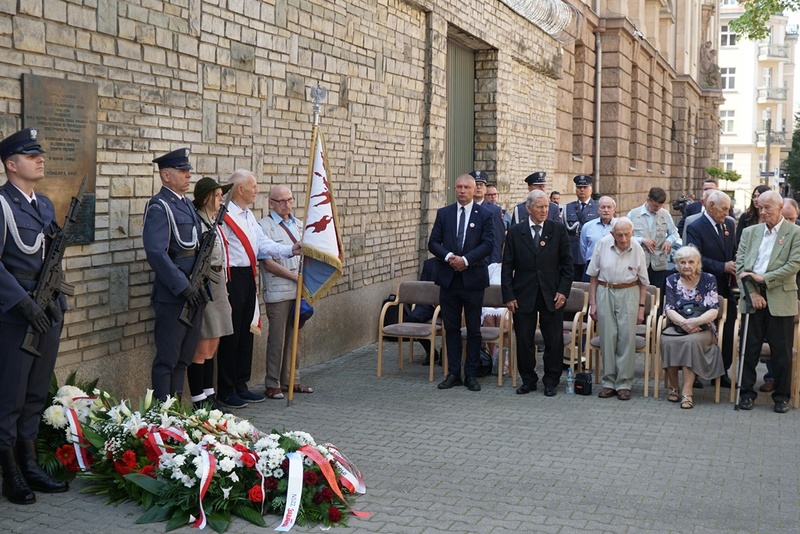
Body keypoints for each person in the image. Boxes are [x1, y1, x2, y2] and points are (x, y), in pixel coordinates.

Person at [0, 128, 69, 504]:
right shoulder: (1, 205)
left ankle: (30, 464)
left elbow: (51, 257)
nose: (40, 159)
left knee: (34, 392)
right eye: (30, 155)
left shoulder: (42, 204)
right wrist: (22, 303)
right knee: (9, 395)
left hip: (48, 309)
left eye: (39, 153)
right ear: (11, 165)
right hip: (16, 313)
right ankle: (10, 474)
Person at [216, 170, 301, 409]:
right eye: (253, 186)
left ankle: (241, 385)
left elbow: (262, 244)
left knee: (245, 332)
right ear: (240, 189)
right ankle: (226, 388)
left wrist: (290, 250)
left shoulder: (248, 215)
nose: (257, 190)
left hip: (248, 276)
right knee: (231, 335)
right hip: (231, 276)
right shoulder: (224, 214)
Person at [143, 148, 207, 401]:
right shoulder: (159, 206)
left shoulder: (185, 205)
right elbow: (156, 252)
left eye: (188, 170)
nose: (188, 175)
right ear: (166, 175)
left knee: (184, 358)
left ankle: (176, 413)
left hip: (195, 290)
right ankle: (162, 414)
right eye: (182, 171)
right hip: (174, 294)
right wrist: (183, 286)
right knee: (167, 359)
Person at [501, 190, 573, 397]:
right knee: (524, 340)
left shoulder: (557, 230)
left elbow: (567, 265)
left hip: (552, 294)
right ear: (528, 208)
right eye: (540, 207)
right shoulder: (515, 232)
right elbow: (507, 266)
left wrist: (563, 291)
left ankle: (551, 380)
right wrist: (509, 296)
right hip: (524, 294)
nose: (544, 211)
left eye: (546, 207)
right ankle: (528, 379)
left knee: (554, 340)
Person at [428, 173, 495, 392]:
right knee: (452, 328)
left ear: (475, 189)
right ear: (454, 189)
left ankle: (472, 374)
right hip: (449, 280)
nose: (462, 191)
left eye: (466, 187)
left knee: (474, 330)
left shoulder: (485, 214)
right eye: (459, 187)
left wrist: (465, 260)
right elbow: (433, 242)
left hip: (473, 280)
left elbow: (488, 244)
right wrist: (450, 258)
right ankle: (453, 373)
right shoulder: (444, 213)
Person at [735, 191, 800, 413]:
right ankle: (746, 394)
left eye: (767, 208)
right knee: (749, 349)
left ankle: (781, 397)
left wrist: (766, 279)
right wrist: (752, 292)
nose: (762, 212)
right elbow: (741, 265)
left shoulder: (795, 233)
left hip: (780, 296)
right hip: (752, 295)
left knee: (781, 352)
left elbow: (793, 265)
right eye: (759, 208)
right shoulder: (749, 232)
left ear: (780, 207)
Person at [258, 185, 313, 400]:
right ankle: (272, 383)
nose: (286, 205)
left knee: (295, 338)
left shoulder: (299, 225)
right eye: (281, 201)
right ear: (270, 202)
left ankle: (293, 380)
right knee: (277, 339)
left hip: (299, 291)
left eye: (289, 200)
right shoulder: (263, 226)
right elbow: (268, 263)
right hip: (279, 291)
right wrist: (294, 278)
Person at [587, 217, 649, 401]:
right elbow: (593, 276)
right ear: (612, 234)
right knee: (608, 336)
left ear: (632, 233)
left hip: (629, 291)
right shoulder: (603, 244)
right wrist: (593, 303)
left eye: (627, 235)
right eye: (619, 235)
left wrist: (641, 308)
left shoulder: (637, 248)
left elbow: (644, 282)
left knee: (626, 337)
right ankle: (608, 383)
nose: (623, 239)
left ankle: (624, 384)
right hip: (605, 290)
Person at [186, 177, 234, 410]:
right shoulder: (198, 223)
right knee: (202, 345)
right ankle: (198, 399)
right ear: (206, 198)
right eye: (217, 195)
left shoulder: (213, 221)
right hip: (205, 284)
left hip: (218, 283)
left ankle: (209, 393)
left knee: (214, 341)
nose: (221, 199)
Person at [660, 245, 725, 409]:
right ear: (677, 264)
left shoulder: (708, 279)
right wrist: (684, 323)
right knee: (667, 342)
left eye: (691, 262)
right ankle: (674, 386)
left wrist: (695, 322)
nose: (687, 266)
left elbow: (713, 309)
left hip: (704, 327)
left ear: (698, 263)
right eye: (682, 262)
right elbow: (669, 308)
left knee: (690, 342)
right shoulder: (672, 280)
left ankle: (687, 391)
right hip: (677, 324)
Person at [685, 190, 736, 388]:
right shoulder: (696, 227)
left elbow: (734, 249)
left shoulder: (729, 223)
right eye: (723, 208)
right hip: (703, 287)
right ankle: (695, 373)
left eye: (728, 209)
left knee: (728, 329)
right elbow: (695, 258)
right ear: (711, 206)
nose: (727, 212)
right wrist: (722, 266)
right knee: (702, 330)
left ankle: (721, 371)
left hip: (726, 287)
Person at [627, 186, 680, 296]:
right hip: (638, 263)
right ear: (648, 200)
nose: (657, 208)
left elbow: (674, 233)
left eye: (660, 206)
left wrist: (669, 241)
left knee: (657, 294)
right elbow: (625, 237)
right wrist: (642, 240)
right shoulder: (633, 214)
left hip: (658, 263)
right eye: (655, 205)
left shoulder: (665, 214)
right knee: (638, 293)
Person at [564, 174, 599, 281]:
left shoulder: (597, 207)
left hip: (590, 254)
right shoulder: (568, 208)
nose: (582, 190)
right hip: (572, 253)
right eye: (579, 187)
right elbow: (564, 231)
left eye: (585, 187)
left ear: (591, 189)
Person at [579, 196, 616, 282]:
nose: (606, 210)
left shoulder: (619, 226)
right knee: (588, 293)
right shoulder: (588, 226)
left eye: (609, 207)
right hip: (591, 266)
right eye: (603, 207)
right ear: (598, 209)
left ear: (614, 209)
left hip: (614, 268)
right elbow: (583, 249)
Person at [470, 171, 504, 263]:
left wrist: (494, 262)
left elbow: (497, 239)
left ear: (485, 189)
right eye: (476, 184)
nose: (479, 187)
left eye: (481, 184)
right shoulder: (464, 208)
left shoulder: (494, 210)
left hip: (486, 261)